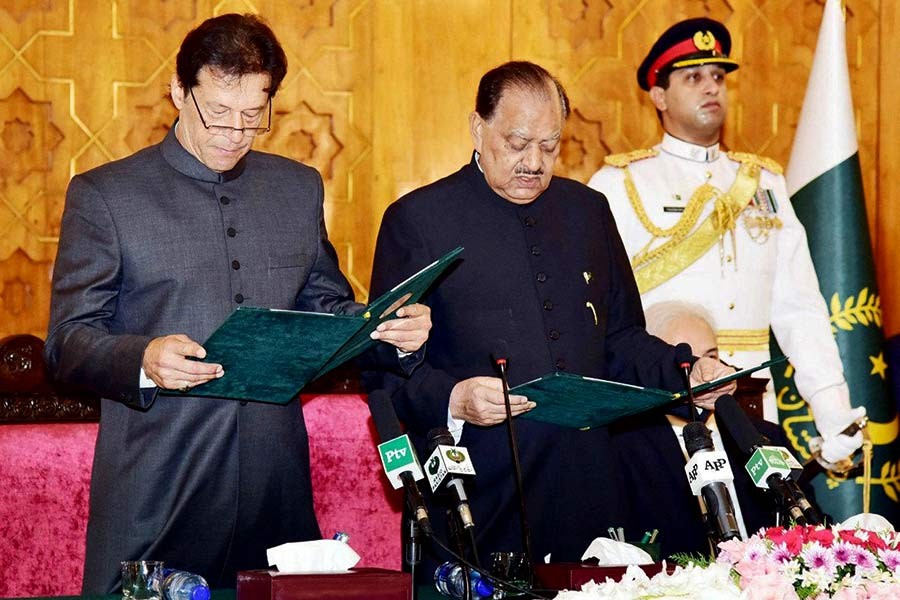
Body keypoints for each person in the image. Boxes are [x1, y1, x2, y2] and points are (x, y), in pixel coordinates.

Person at [43, 14, 431, 593]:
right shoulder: (106, 195)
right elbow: (67, 341)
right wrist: (142, 357)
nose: (234, 132)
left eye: (254, 115)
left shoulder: (297, 187)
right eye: (217, 112)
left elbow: (325, 305)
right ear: (179, 92)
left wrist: (383, 325)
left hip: (276, 491)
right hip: (157, 488)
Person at [366, 61, 735, 577]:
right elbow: (385, 372)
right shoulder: (418, 220)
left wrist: (684, 371)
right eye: (517, 143)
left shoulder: (588, 211)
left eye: (550, 146)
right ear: (478, 128)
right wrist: (454, 399)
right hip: (480, 490)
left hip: (589, 482)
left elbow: (622, 338)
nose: (534, 163)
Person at [587, 17, 864, 465]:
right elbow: (599, 313)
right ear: (658, 95)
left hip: (754, 404)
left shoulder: (765, 183)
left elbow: (800, 309)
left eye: (717, 77)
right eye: (693, 77)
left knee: (759, 532)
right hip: (665, 405)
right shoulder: (619, 183)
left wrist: (832, 409)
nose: (711, 87)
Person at [613, 300, 817, 558]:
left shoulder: (767, 438)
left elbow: (811, 527)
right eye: (688, 362)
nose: (707, 373)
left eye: (710, 356)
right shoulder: (625, 449)